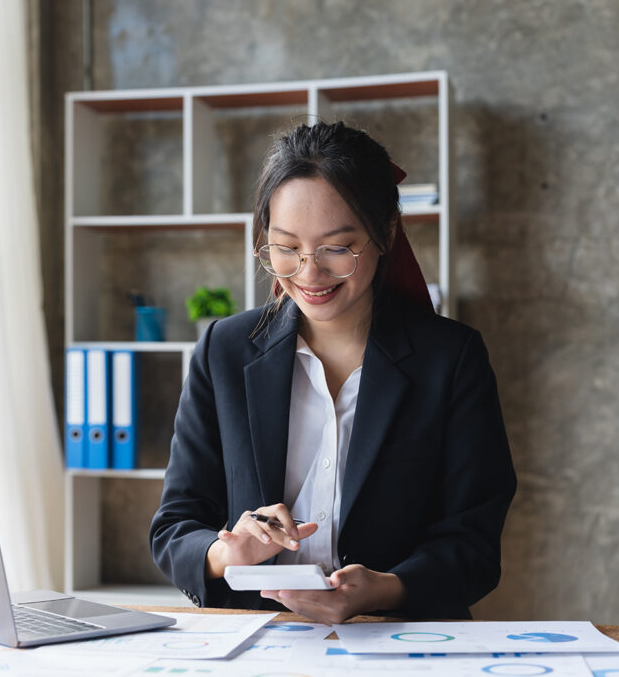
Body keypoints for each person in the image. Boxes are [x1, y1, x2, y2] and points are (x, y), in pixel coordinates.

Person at [149, 120, 516, 623]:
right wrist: (225, 552)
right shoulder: (224, 351)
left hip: (398, 642)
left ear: (386, 233)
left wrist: (383, 589)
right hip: (258, 639)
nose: (308, 272)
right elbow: (174, 526)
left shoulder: (451, 359)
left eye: (337, 247)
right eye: (285, 247)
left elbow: (474, 545)